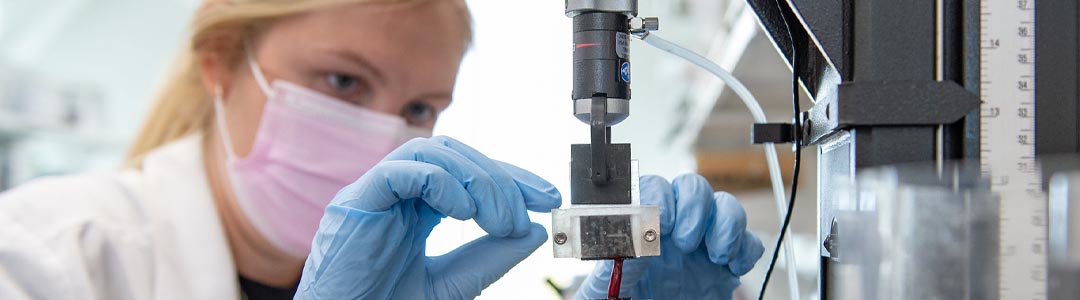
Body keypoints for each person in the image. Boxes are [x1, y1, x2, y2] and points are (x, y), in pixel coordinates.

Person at [0, 0, 764, 299]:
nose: (382, 132)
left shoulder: (410, 282)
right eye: (341, 80)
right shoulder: (46, 259)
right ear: (221, 63)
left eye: (420, 107)